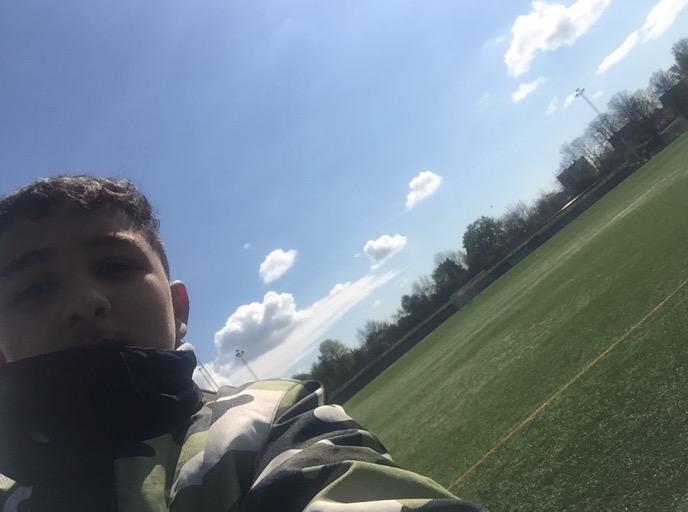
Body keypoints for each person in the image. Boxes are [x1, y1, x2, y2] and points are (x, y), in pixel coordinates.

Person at [0, 175, 485, 512]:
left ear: (179, 310)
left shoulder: (269, 427)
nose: (84, 301)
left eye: (114, 266)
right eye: (34, 288)